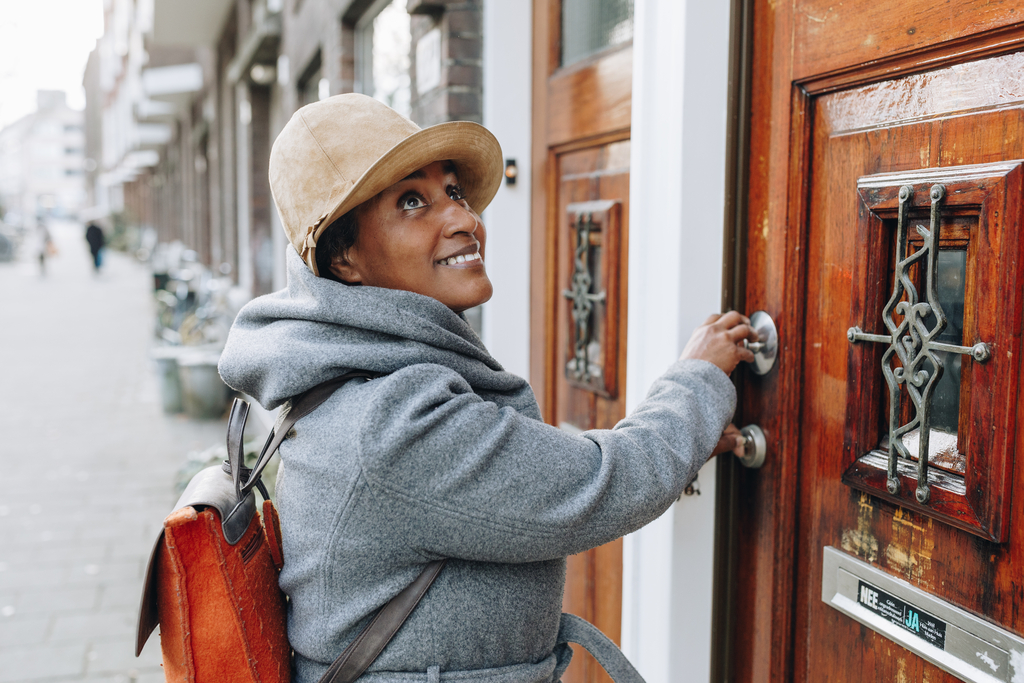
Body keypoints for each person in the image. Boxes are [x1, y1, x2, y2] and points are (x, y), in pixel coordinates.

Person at [217, 94, 756, 683]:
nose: (463, 219)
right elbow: (601, 484)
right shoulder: (391, 419)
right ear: (345, 259)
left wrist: (691, 433)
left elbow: (505, 477)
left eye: (453, 191)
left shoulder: (359, 378)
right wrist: (698, 377)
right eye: (412, 202)